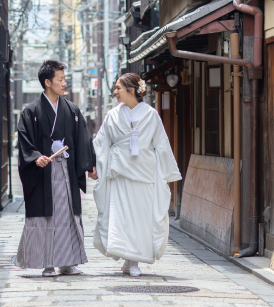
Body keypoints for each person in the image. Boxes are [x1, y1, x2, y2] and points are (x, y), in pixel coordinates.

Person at [92, 73, 182, 277]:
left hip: (144, 173)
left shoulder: (150, 115)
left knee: (140, 219)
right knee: (121, 217)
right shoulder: (113, 115)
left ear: (131, 90)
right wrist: (96, 166)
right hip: (120, 173)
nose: (115, 92)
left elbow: (161, 144)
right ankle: (129, 260)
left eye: (118, 88)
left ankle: (132, 260)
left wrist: (167, 173)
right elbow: (101, 141)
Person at [15, 60, 97, 277]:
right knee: (47, 217)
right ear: (47, 82)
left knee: (67, 215)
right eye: (60, 79)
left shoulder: (72, 110)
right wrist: (35, 158)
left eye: (64, 78)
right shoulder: (31, 111)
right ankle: (47, 262)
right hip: (44, 173)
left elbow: (83, 140)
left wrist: (90, 165)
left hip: (66, 171)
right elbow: (24, 141)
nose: (64, 82)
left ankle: (67, 262)